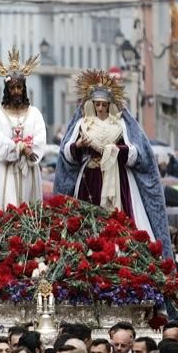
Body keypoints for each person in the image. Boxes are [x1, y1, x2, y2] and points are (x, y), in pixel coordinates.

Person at [56, 69, 171, 257]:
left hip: (117, 179)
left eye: (104, 104)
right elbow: (66, 154)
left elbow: (137, 153)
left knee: (118, 216)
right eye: (97, 104)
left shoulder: (121, 125)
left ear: (110, 105)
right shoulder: (83, 124)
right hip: (89, 178)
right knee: (86, 218)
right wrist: (78, 145)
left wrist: (119, 151)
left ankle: (120, 250)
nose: (100, 108)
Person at [0, 47, 46, 226]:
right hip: (4, 169)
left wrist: (30, 148)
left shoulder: (35, 113)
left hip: (28, 171)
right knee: (6, 208)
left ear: (24, 89)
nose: (16, 91)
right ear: (7, 89)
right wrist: (20, 147)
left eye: (19, 87)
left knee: (29, 212)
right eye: (12, 87)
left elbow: (40, 138)